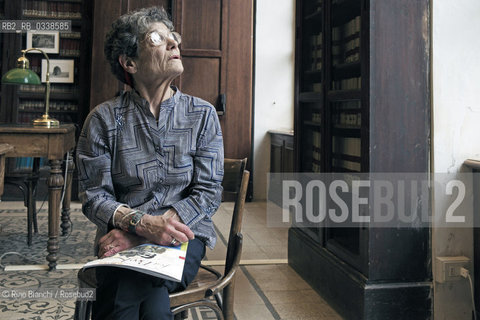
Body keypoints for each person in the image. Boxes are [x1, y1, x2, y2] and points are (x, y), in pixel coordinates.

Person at [76, 6, 224, 320]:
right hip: (122, 239)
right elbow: (93, 197)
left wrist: (145, 230)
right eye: (158, 39)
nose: (174, 44)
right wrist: (143, 225)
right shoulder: (103, 119)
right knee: (152, 301)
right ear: (129, 62)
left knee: (123, 289)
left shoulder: (202, 115)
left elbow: (208, 193)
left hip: (185, 238)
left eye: (174, 38)